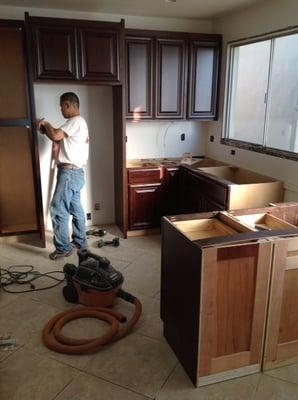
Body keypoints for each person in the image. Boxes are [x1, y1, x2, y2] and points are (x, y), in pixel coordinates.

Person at [36, 92, 89, 260]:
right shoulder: (78, 123)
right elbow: (57, 136)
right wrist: (46, 130)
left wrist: (46, 123)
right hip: (76, 172)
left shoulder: (75, 121)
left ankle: (63, 248)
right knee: (75, 208)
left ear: (68, 104)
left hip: (70, 173)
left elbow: (56, 135)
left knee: (58, 208)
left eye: (61, 106)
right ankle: (80, 242)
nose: (60, 109)